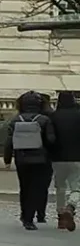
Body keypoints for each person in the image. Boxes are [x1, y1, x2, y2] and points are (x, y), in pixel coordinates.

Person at [4, 90, 55, 229]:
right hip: (41, 159)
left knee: (25, 188)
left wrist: (7, 160)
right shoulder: (44, 120)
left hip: (22, 159)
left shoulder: (15, 120)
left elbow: (9, 143)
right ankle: (32, 217)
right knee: (37, 188)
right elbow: (51, 140)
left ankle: (24, 215)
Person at [51, 90, 80, 231]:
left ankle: (61, 217)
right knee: (76, 187)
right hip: (77, 157)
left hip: (58, 157)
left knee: (60, 187)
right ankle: (71, 206)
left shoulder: (53, 116)